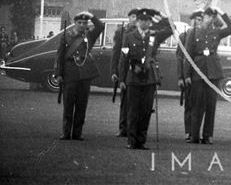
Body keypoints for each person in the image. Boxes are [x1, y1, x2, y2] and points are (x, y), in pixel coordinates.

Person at [119, 8, 172, 149]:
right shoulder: (129, 37)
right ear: (137, 22)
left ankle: (141, 140)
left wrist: (160, 14)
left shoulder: (154, 36)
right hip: (133, 77)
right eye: (142, 20)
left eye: (147, 20)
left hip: (149, 77)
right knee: (132, 110)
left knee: (146, 110)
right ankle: (131, 140)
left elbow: (170, 29)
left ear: (150, 22)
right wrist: (122, 80)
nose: (144, 23)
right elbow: (124, 59)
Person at [185, 7, 231, 144]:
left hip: (213, 71)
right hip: (198, 69)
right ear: (203, 17)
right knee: (197, 105)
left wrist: (222, 13)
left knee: (210, 105)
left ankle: (207, 136)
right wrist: (187, 74)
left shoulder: (217, 32)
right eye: (207, 17)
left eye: (212, 17)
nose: (210, 19)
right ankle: (194, 135)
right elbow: (188, 54)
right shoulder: (193, 32)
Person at [54, 11, 105, 140]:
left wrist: (90, 15)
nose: (82, 25)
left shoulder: (90, 35)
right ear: (74, 23)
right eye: (79, 22)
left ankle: (77, 133)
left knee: (82, 105)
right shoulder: (66, 36)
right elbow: (59, 55)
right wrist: (58, 73)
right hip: (70, 73)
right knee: (69, 104)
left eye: (84, 23)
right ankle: (66, 133)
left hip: (85, 73)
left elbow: (100, 26)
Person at [110, 8, 138, 137]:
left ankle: (135, 128)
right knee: (125, 100)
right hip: (125, 70)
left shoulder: (142, 33)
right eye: (133, 16)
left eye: (137, 17)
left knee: (137, 101)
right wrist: (114, 71)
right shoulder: (121, 32)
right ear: (128, 18)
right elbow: (115, 52)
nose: (135, 19)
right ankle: (123, 128)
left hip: (137, 71)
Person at [176, 9, 203, 141]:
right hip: (189, 75)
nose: (199, 22)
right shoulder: (184, 36)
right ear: (192, 21)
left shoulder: (204, 35)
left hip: (200, 76)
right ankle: (188, 131)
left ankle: (195, 132)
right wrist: (181, 76)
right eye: (197, 20)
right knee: (189, 104)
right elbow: (180, 58)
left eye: (201, 20)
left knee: (200, 106)